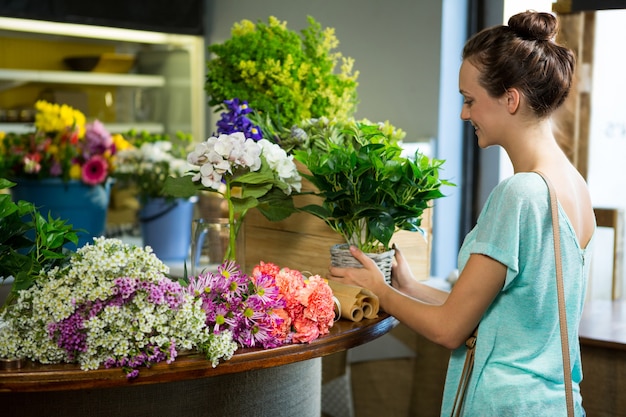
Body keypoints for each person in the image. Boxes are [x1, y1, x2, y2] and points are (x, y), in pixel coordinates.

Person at [327, 10, 595, 416]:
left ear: (510, 98)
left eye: (470, 100)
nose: (463, 114)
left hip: (501, 404)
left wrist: (379, 291)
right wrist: (410, 287)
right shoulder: (574, 187)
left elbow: (449, 329)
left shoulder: (519, 193)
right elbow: (503, 317)